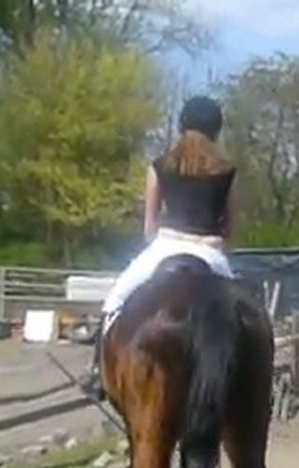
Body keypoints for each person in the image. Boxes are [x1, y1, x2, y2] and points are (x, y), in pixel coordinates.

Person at [80, 95, 238, 399]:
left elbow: (149, 225)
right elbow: (231, 228)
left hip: (163, 248)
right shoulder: (227, 173)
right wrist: (215, 243)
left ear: (181, 126)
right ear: (216, 130)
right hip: (211, 253)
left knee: (114, 301)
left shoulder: (159, 166)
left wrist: (159, 241)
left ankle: (98, 374)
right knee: (241, 319)